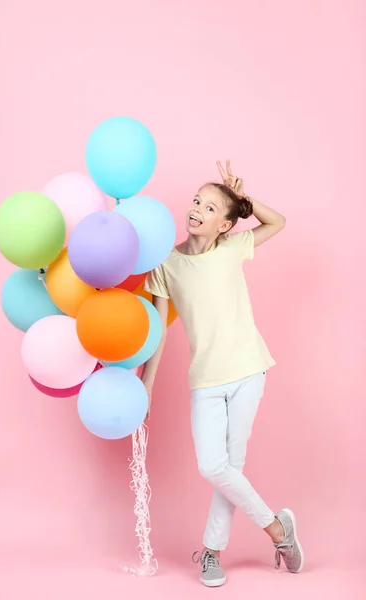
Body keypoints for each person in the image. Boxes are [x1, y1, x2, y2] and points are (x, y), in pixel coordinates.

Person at [141, 160, 304, 587]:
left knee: (230, 465)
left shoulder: (233, 247)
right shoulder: (166, 264)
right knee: (216, 467)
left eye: (210, 207)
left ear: (225, 225)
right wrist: (147, 384)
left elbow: (278, 221)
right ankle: (276, 528)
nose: (197, 208)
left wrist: (246, 200)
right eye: (197, 201)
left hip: (249, 369)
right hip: (206, 381)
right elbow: (158, 331)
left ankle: (211, 553)